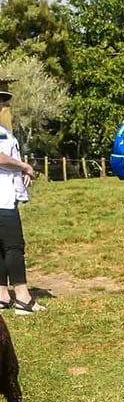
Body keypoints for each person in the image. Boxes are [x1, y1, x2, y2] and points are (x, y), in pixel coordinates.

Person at [0, 93, 45, 314]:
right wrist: (23, 166)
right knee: (13, 246)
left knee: (1, 248)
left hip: (5, 194)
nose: (3, 105)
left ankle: (2, 295)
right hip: (3, 198)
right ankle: (22, 298)